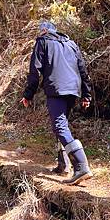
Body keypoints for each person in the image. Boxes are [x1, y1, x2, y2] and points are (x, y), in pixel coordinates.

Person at [20, 21, 93, 185]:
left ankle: (81, 166)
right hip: (73, 89)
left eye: (40, 30)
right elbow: (83, 70)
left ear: (44, 31)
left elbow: (35, 70)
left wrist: (28, 94)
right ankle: (63, 164)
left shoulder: (42, 42)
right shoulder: (71, 43)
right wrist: (86, 95)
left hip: (57, 89)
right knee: (62, 125)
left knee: (59, 125)